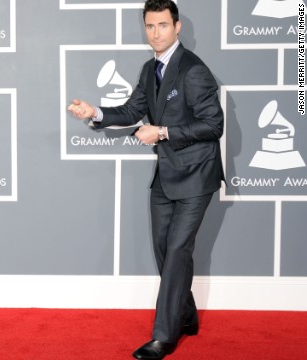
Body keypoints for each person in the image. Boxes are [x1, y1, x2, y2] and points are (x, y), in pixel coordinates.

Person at [68, 0, 224, 358]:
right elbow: (132, 110)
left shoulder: (193, 71)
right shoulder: (149, 68)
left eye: (163, 26)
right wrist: (95, 113)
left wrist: (164, 132)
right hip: (165, 176)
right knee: (164, 250)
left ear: (178, 26)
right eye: (150, 27)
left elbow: (213, 125)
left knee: (176, 252)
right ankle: (185, 314)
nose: (155, 34)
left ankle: (162, 336)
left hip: (196, 176)